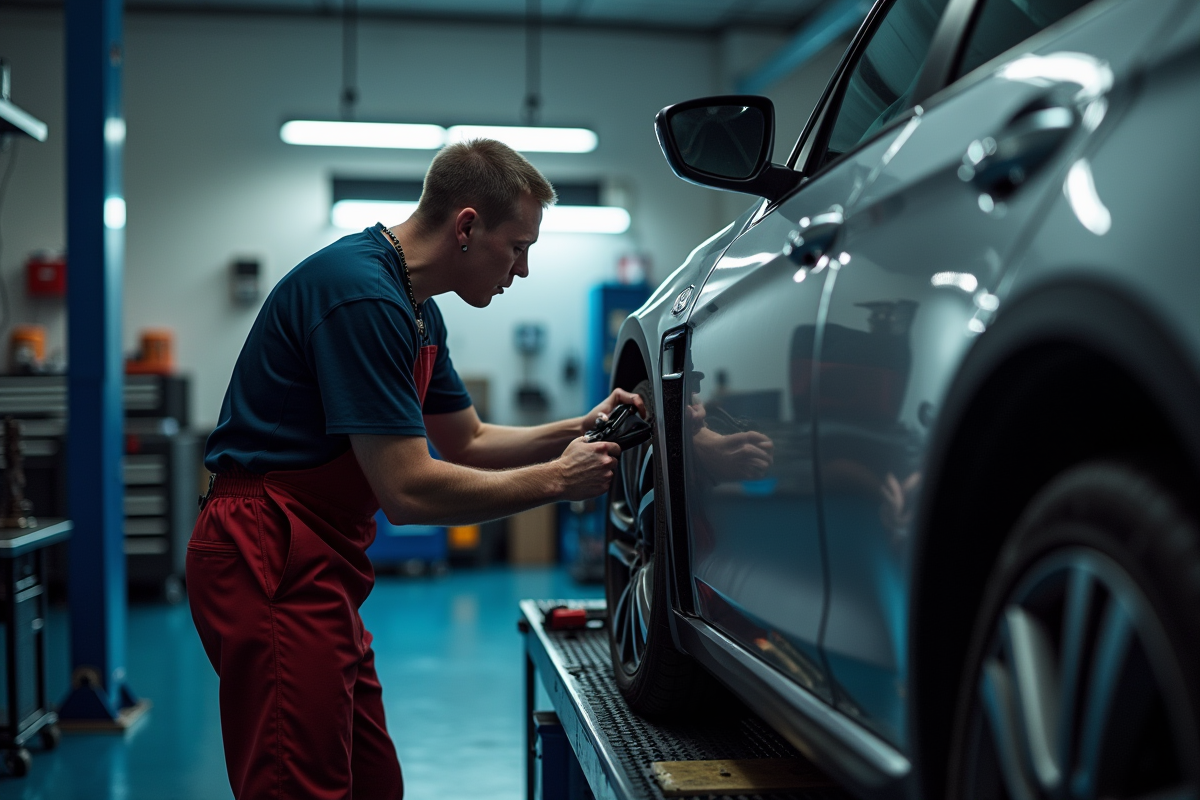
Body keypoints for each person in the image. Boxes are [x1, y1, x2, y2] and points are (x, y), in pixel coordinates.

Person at [187, 138, 643, 800]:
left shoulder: (418, 310)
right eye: (517, 246)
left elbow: (468, 439)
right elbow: (406, 489)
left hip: (323, 557)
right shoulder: (362, 296)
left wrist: (582, 426)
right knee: (298, 785)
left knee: (374, 782)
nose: (522, 270)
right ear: (466, 226)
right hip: (269, 549)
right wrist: (556, 481)